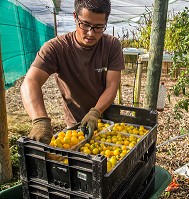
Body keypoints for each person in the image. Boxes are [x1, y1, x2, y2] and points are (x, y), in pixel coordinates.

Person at [20, 0, 124, 144]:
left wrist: (95, 112)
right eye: (85, 24)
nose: (91, 33)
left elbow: (112, 86)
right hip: (74, 124)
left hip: (105, 120)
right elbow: (30, 82)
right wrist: (40, 120)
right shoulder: (56, 48)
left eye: (99, 27)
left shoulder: (112, 46)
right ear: (75, 17)